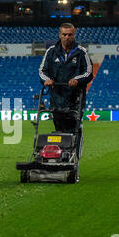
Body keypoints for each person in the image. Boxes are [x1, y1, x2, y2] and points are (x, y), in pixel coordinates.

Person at [39, 22, 93, 159]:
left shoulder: (81, 52)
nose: (67, 37)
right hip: (56, 97)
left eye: (70, 35)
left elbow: (88, 72)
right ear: (59, 35)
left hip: (75, 98)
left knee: (74, 128)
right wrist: (47, 80)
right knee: (59, 129)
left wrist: (77, 80)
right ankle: (60, 155)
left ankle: (75, 157)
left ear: (74, 35)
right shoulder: (51, 51)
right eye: (64, 34)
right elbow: (42, 71)